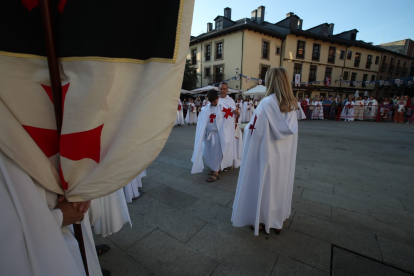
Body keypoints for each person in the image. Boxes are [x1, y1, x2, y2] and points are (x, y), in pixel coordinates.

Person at [0, 150, 103, 276]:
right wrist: (58, 217)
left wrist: (83, 184)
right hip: (40, 248)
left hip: (71, 213)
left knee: (84, 260)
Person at [231, 67, 300, 236]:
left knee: (265, 185)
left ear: (270, 81)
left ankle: (261, 221)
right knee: (279, 186)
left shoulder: (266, 103)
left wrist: (244, 130)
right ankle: (276, 222)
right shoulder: (292, 105)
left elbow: (255, 131)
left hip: (267, 154)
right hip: (283, 157)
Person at [217, 82, 241, 171]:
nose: (222, 91)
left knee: (228, 145)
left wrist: (238, 114)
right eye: (221, 89)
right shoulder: (216, 99)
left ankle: (228, 162)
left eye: (224, 89)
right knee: (219, 146)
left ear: (227, 90)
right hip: (218, 128)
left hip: (228, 128)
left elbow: (236, 113)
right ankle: (218, 165)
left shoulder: (231, 101)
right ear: (218, 89)